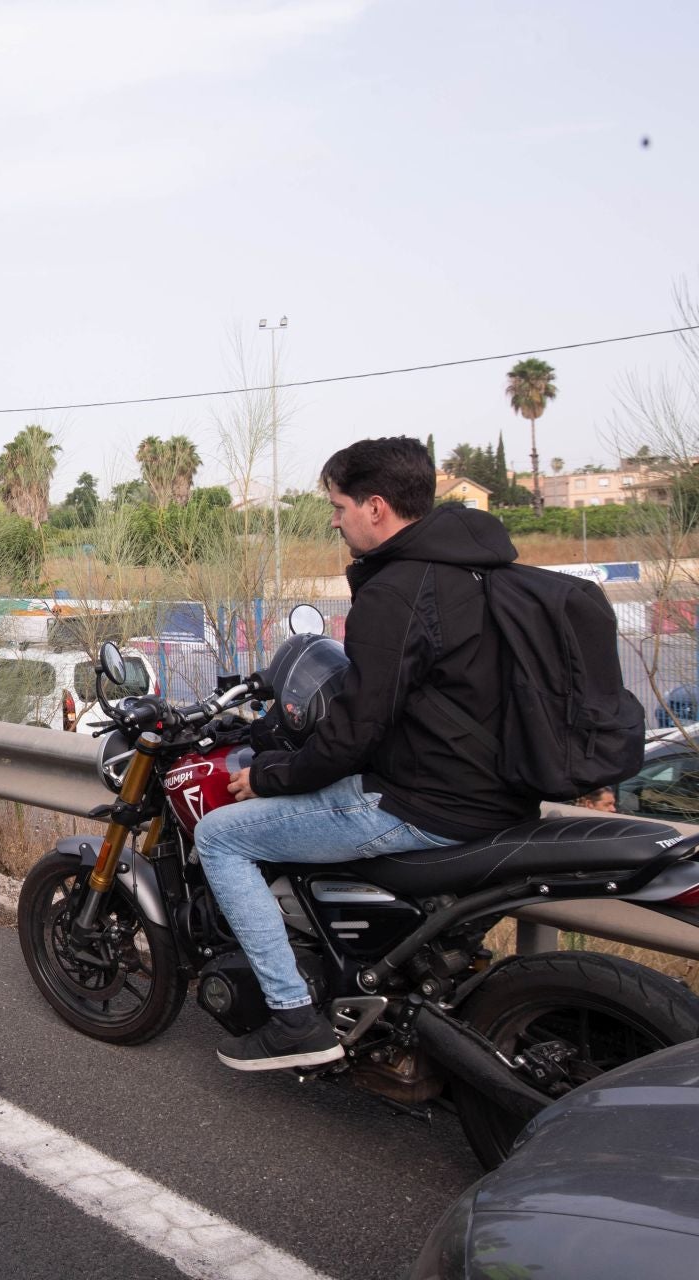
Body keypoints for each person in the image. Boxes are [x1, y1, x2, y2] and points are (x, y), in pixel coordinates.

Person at [197, 436, 535, 1071]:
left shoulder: (396, 590)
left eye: (338, 506)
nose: (334, 521)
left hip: (425, 803)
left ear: (375, 507)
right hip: (501, 797)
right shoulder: (483, 571)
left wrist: (270, 775)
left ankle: (293, 1018)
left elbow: (355, 732)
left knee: (220, 837)